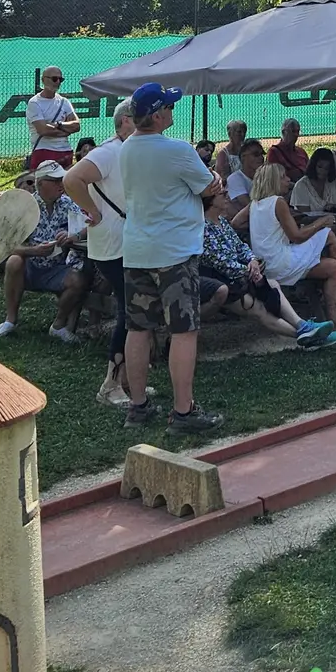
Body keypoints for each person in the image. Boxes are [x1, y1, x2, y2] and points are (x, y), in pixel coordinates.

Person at [117, 81, 223, 437]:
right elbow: (209, 187)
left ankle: (138, 406)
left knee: (138, 328)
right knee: (183, 329)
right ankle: (183, 410)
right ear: (159, 114)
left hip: (136, 250)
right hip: (175, 251)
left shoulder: (127, 149)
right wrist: (214, 178)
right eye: (170, 107)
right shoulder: (178, 149)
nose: (174, 112)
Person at [198, 179, 336, 347]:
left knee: (272, 285)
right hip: (225, 281)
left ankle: (304, 328)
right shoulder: (203, 228)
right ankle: (309, 335)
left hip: (240, 278)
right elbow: (219, 262)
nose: (228, 197)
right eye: (223, 194)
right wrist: (249, 270)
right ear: (210, 201)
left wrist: (252, 260)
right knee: (259, 311)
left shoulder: (222, 223)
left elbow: (240, 246)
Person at [63, 97, 137, 407]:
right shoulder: (108, 152)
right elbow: (71, 179)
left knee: (134, 312)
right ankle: (110, 384)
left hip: (122, 244)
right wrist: (91, 209)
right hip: (112, 246)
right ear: (125, 122)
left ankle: (128, 382)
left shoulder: (126, 151)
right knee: (129, 312)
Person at [247, 162, 336, 326]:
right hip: (281, 261)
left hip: (267, 265)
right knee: (327, 234)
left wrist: (265, 227)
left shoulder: (254, 204)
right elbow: (297, 236)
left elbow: (237, 222)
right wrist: (322, 222)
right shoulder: (278, 202)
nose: (288, 180)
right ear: (273, 181)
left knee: (332, 266)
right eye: (283, 177)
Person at [0, 162, 93, 342]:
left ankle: (58, 326)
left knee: (78, 280)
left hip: (57, 267)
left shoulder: (66, 203)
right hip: (30, 266)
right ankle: (10, 320)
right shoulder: (26, 208)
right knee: (14, 260)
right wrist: (34, 251)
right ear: (40, 184)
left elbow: (88, 224)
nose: (60, 185)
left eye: (61, 180)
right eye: (54, 181)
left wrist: (73, 235)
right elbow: (6, 245)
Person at [25, 66, 81, 174]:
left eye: (61, 79)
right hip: (44, 151)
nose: (58, 82)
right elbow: (43, 130)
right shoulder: (34, 103)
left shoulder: (64, 102)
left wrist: (58, 125)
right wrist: (66, 130)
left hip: (65, 151)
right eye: (55, 79)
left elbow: (77, 125)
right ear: (43, 80)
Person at [268, 117, 310, 186]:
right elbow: (274, 179)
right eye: (293, 131)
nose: (296, 135)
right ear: (283, 132)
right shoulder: (274, 152)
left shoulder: (302, 152)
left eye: (298, 131)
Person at [225, 137, 266, 207]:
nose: (261, 157)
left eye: (262, 154)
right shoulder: (235, 179)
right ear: (243, 157)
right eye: (256, 154)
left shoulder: (263, 177)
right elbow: (250, 206)